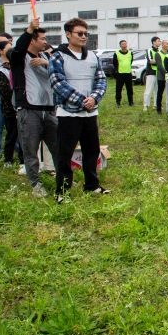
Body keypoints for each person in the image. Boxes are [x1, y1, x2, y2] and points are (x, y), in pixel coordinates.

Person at [49, 17, 109, 203]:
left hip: (90, 114)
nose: (84, 37)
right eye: (79, 33)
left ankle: (92, 185)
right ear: (68, 34)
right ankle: (62, 191)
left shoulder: (92, 56)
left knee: (91, 151)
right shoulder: (58, 56)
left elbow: (101, 79)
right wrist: (83, 101)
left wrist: (94, 98)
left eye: (86, 34)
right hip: (68, 114)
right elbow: (57, 83)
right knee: (64, 154)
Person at [7, 17, 58, 198]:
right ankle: (36, 184)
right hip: (29, 110)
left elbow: (61, 71)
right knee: (30, 150)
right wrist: (29, 30)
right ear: (32, 40)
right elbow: (19, 49)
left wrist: (48, 63)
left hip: (49, 109)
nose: (45, 42)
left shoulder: (46, 57)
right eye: (42, 39)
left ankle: (63, 178)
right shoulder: (19, 58)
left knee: (58, 148)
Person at [0, 40, 22, 169]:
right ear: (1, 51)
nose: (11, 50)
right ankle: (8, 159)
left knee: (23, 136)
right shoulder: (2, 71)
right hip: (10, 109)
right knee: (12, 134)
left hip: (21, 107)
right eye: (8, 48)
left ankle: (23, 160)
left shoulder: (17, 67)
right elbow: (5, 92)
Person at [112, 39, 134, 107]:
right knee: (118, 89)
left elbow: (131, 61)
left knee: (130, 89)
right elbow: (115, 63)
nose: (124, 45)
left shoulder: (130, 53)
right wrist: (117, 71)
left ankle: (131, 102)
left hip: (128, 73)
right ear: (120, 46)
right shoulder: (116, 53)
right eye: (123, 44)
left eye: (125, 44)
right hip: (120, 74)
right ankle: (118, 102)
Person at [143, 36, 161, 111]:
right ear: (153, 42)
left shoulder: (159, 51)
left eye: (160, 41)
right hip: (151, 72)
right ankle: (146, 105)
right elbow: (150, 61)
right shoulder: (149, 50)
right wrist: (159, 62)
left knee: (157, 90)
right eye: (158, 41)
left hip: (159, 73)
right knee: (149, 90)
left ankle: (156, 105)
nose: (159, 42)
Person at [155, 39, 168, 114]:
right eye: (166, 44)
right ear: (162, 45)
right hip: (161, 76)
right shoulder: (158, 54)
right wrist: (166, 73)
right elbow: (160, 66)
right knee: (160, 93)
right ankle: (158, 108)